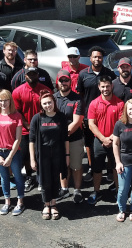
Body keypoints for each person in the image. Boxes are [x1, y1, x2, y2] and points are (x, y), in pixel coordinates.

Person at [77, 46, 116, 183]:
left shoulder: (109, 73)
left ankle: (111, 169)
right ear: (90, 58)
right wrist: (81, 115)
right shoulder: (83, 74)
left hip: (107, 113)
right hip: (90, 116)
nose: (97, 59)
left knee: (109, 143)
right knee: (90, 144)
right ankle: (91, 167)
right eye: (94, 57)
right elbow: (80, 96)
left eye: (99, 57)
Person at [29, 91, 69, 220]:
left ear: (54, 102)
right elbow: (31, 140)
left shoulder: (61, 117)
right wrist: (32, 159)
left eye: (50, 102)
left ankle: (54, 203)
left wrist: (67, 156)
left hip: (58, 154)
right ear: (41, 104)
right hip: (43, 155)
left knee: (55, 180)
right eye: (45, 103)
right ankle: (46, 204)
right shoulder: (37, 118)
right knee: (45, 181)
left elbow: (65, 138)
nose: (48, 105)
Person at [87, 75, 125, 205]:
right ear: (99, 87)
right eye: (102, 86)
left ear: (112, 86)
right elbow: (91, 124)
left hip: (115, 140)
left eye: (107, 86)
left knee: (116, 167)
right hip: (99, 140)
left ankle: (118, 192)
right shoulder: (94, 103)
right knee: (97, 168)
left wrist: (111, 138)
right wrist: (103, 138)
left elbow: (121, 123)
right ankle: (96, 191)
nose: (105, 89)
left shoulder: (120, 103)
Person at [0, 89, 25, 216]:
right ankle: (7, 202)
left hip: (13, 153)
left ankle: (20, 202)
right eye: (0, 101)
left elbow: (18, 139)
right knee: (4, 178)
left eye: (6, 100)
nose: (3, 103)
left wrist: (10, 156)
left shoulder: (16, 116)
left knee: (18, 177)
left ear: (10, 101)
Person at [54, 70, 86, 203]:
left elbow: (77, 121)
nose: (63, 83)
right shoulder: (53, 98)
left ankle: (77, 191)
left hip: (74, 138)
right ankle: (64, 189)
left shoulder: (77, 98)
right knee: (63, 166)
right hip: (57, 140)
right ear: (57, 82)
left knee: (76, 166)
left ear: (70, 81)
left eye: (66, 80)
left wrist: (62, 134)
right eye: (61, 80)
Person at [12, 66, 45, 193]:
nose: (32, 77)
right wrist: (28, 126)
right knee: (26, 155)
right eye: (29, 75)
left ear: (38, 75)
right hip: (25, 130)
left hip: (42, 129)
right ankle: (29, 177)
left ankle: (40, 177)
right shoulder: (17, 92)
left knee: (41, 155)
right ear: (25, 76)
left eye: (34, 74)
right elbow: (17, 111)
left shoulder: (45, 90)